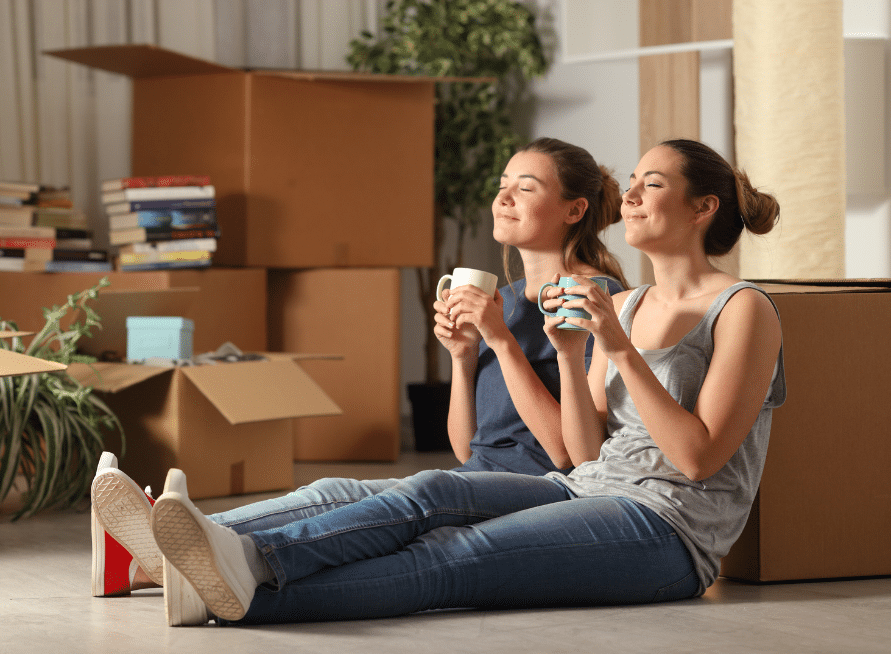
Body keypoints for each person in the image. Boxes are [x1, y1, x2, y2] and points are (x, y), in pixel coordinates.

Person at [147, 138, 785, 625]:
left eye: (653, 184)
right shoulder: (624, 305)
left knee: (450, 560)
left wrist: (617, 352)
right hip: (584, 488)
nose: (634, 196)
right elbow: (586, 455)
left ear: (703, 207)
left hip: (668, 531)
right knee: (427, 490)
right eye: (635, 183)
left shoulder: (743, 309)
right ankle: (234, 555)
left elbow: (699, 459)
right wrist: (570, 352)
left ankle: (242, 591)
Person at [90, 138, 627, 606]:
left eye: (526, 188)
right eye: (503, 183)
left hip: (542, 489)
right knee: (335, 491)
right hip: (477, 477)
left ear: (574, 209)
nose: (503, 198)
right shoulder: (503, 300)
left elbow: (569, 455)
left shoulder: (596, 299)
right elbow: (470, 450)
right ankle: (158, 542)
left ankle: (201, 550)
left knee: (411, 493)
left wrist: (499, 341)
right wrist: (463, 360)